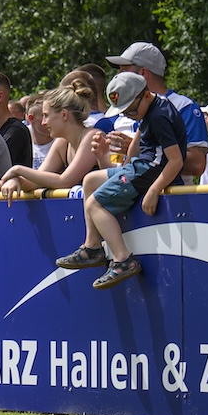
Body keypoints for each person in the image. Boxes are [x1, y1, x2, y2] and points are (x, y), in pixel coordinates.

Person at [52, 71, 187, 289]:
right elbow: (138, 140)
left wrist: (153, 191)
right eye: (125, 112)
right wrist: (126, 165)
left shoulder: (159, 116)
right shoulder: (151, 107)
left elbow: (175, 160)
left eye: (131, 110)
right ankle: (93, 246)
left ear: (144, 95)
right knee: (90, 180)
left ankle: (123, 259)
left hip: (151, 171)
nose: (130, 115)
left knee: (94, 203)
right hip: (140, 166)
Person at [0, 88, 101, 204]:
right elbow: (37, 180)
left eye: (46, 115)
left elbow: (65, 181)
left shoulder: (91, 137)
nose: (43, 122)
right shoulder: (62, 143)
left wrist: (17, 170)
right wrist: (5, 183)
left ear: (64, 115)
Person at [105, 42, 207, 177]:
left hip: (167, 196)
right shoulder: (122, 110)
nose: (118, 75)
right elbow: (118, 163)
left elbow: (197, 165)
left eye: (124, 70)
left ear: (143, 73)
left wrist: (139, 149)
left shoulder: (184, 107)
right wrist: (103, 155)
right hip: (127, 191)